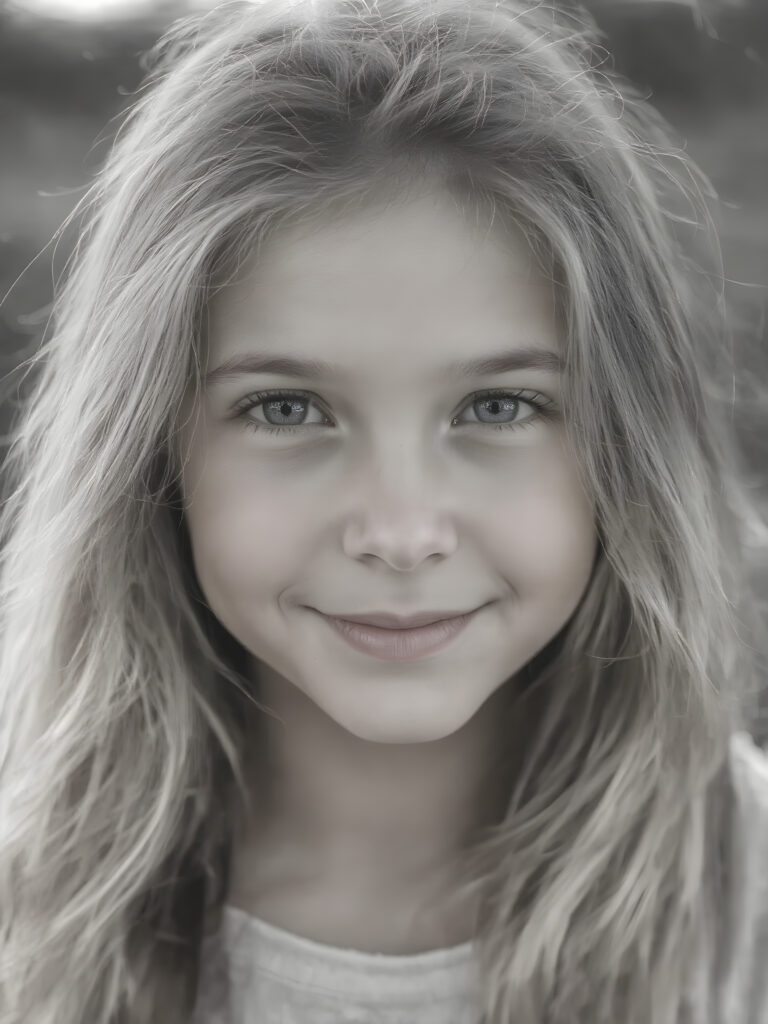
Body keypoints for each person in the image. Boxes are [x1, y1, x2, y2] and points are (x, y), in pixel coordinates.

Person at [0, 0, 767, 1021]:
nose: (401, 534)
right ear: (150, 447)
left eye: (499, 406)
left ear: (626, 438)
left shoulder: (744, 906)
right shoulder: (26, 908)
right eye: (287, 408)